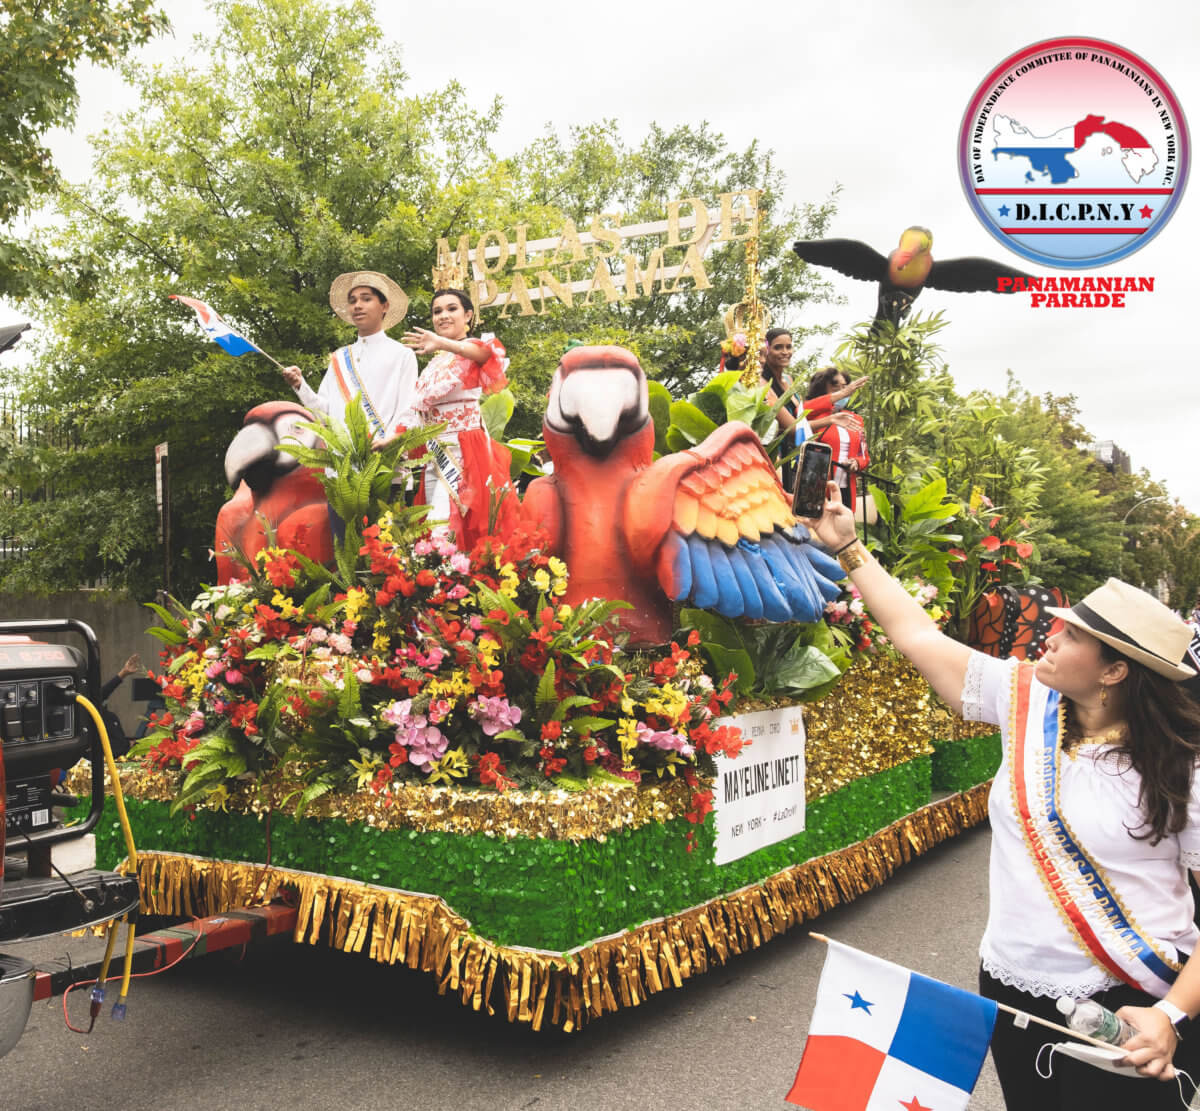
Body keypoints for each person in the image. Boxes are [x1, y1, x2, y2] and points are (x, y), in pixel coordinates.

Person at [802, 480, 1200, 1109]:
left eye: (1070, 637)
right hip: (1014, 988)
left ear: (1115, 670)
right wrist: (850, 546)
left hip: (1132, 1001)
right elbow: (918, 637)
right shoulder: (1027, 702)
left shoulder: (1184, 769)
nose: (1048, 636)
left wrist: (1171, 1014)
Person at [280, 271, 417, 539]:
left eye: (366, 299)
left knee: (393, 557)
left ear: (384, 306)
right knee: (345, 557)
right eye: (353, 300)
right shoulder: (340, 359)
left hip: (386, 470)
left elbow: (410, 407)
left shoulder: (402, 355)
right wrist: (299, 385)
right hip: (343, 474)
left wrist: (391, 440)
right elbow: (324, 411)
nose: (357, 305)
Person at [400, 288, 513, 548]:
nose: (443, 315)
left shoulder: (471, 348)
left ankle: (446, 583)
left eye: (452, 309)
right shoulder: (434, 365)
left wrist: (442, 343)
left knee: (443, 523)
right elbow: (419, 410)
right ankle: (448, 584)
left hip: (465, 453)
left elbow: (485, 355)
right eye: (437, 311)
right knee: (433, 521)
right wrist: (392, 441)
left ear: (468, 315)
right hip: (435, 453)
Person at [758, 327, 866, 491]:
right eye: (778, 347)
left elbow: (801, 414)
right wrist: (831, 419)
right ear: (767, 350)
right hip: (775, 456)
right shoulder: (762, 383)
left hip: (794, 454)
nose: (785, 352)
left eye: (789, 346)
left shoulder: (788, 379)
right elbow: (794, 427)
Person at [806, 366, 869, 509]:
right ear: (823, 390)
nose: (843, 393)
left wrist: (856, 463)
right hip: (818, 487)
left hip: (846, 488)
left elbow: (864, 455)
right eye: (836, 389)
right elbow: (801, 410)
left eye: (846, 388)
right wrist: (840, 395)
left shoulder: (856, 419)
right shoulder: (813, 416)